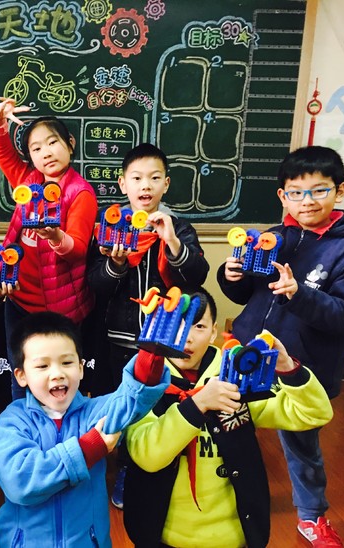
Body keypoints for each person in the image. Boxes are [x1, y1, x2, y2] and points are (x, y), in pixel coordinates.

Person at [216, 146, 344, 547]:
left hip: (301, 368)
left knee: (302, 445)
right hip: (249, 355)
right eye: (296, 192)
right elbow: (245, 294)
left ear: (340, 191)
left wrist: (299, 294)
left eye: (319, 190)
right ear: (283, 196)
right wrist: (231, 275)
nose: (307, 201)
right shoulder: (275, 237)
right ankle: (227, 500)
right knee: (230, 428)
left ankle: (312, 516)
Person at [123, 287, 334, 548]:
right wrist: (198, 404)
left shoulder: (236, 378)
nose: (187, 337)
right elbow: (147, 456)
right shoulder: (144, 383)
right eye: (176, 325)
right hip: (165, 534)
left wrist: (287, 368)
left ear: (213, 332)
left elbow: (313, 413)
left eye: (199, 326)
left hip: (233, 535)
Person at [87, 142, 209, 507]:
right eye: (137, 178)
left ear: (166, 184)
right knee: (119, 404)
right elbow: (96, 284)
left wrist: (172, 242)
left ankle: (140, 467)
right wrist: (116, 264)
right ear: (123, 184)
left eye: (155, 178)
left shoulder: (179, 227)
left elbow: (197, 277)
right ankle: (114, 463)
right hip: (119, 335)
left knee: (157, 407)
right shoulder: (111, 227)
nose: (146, 185)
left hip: (164, 337)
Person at [0, 311, 170, 547]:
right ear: (21, 376)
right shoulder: (13, 421)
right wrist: (89, 449)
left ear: (81, 368)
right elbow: (20, 482)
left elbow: (130, 401)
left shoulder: (93, 412)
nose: (57, 374)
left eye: (67, 363)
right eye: (43, 365)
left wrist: (152, 355)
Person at [0, 98, 98, 399]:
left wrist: (56, 236)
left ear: (70, 144)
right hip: (18, 299)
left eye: (52, 142)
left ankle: (61, 427)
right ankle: (24, 427)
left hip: (59, 308)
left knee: (58, 380)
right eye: (36, 148)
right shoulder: (28, 180)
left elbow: (77, 249)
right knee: (20, 374)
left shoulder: (80, 193)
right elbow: (2, 152)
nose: (46, 152)